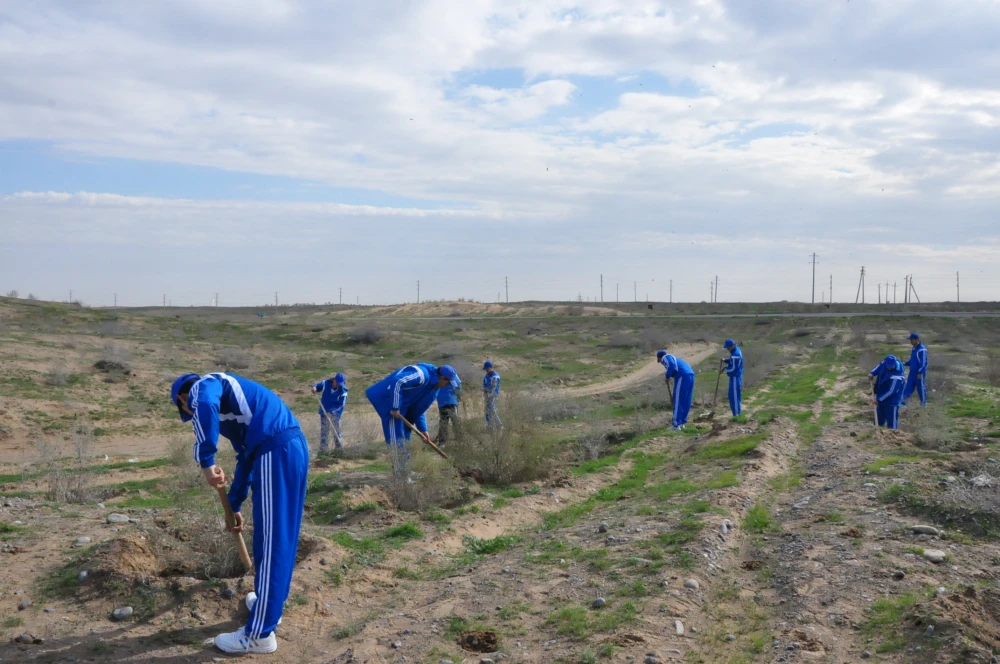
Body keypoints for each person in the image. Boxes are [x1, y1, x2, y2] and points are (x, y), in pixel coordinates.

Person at [170, 372, 309, 655]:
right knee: (279, 537)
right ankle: (269, 607)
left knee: (272, 543)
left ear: (183, 400)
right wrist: (234, 503)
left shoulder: (204, 386)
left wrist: (206, 459)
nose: (191, 412)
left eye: (187, 410)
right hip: (285, 450)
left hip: (276, 452)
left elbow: (204, 404)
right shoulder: (237, 412)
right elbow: (245, 457)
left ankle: (259, 635)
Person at [365, 363, 459, 472]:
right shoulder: (421, 375)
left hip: (403, 406)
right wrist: (395, 407)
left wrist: (423, 429)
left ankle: (406, 472)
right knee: (397, 439)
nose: (448, 385)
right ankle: (401, 476)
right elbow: (397, 382)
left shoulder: (434, 389)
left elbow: (418, 408)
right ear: (442, 378)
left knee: (405, 439)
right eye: (448, 382)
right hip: (388, 401)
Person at [657, 350, 696, 431]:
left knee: (678, 401)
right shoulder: (676, 359)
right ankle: (682, 422)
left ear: (660, 357)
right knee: (685, 400)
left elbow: (671, 365)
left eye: (659, 360)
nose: (660, 363)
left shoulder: (666, 357)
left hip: (682, 376)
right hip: (690, 375)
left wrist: (667, 376)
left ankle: (676, 425)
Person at [311, 372, 347, 453]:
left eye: (340, 384)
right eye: (337, 383)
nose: (338, 385)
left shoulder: (343, 392)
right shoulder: (325, 383)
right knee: (324, 430)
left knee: (336, 431)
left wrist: (331, 411)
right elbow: (317, 386)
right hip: (324, 411)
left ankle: (339, 450)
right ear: (334, 380)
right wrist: (314, 388)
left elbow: (341, 405)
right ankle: (323, 450)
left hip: (336, 414)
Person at [869, 355, 906, 429]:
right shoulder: (883, 363)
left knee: (892, 424)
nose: (890, 368)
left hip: (892, 402)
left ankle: (893, 437)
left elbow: (891, 391)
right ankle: (877, 435)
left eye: (891, 366)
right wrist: (872, 373)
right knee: (878, 421)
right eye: (888, 366)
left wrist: (879, 399)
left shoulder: (898, 375)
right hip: (881, 398)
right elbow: (879, 367)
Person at [902, 333, 929, 407]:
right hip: (912, 373)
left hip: (918, 373)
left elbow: (923, 363)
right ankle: (904, 402)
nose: (910, 342)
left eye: (912, 340)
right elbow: (912, 360)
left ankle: (923, 403)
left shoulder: (922, 350)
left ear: (917, 340)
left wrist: (920, 372)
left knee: (921, 388)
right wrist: (905, 363)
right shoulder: (914, 349)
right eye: (910, 340)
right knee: (908, 387)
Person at [436, 374, 462, 446]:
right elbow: (459, 388)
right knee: (455, 421)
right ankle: (459, 440)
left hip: (443, 402)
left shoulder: (438, 377)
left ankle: (442, 442)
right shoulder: (454, 376)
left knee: (444, 422)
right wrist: (458, 397)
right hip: (451, 402)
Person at [720, 339, 744, 417]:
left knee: (733, 397)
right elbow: (731, 361)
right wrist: (725, 360)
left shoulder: (735, 355)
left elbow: (733, 368)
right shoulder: (735, 351)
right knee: (735, 396)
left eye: (728, 347)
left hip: (735, 377)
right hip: (736, 377)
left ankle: (736, 415)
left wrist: (724, 369)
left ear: (732, 346)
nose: (727, 349)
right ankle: (737, 413)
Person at [482, 360, 502, 429]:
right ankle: (490, 426)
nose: (486, 370)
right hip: (487, 395)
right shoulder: (486, 376)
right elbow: (484, 384)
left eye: (487, 369)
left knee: (492, 410)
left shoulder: (495, 376)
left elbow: (493, 387)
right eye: (485, 369)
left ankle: (499, 425)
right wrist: (484, 389)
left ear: (491, 367)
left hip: (493, 395)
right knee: (487, 410)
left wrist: (486, 390)